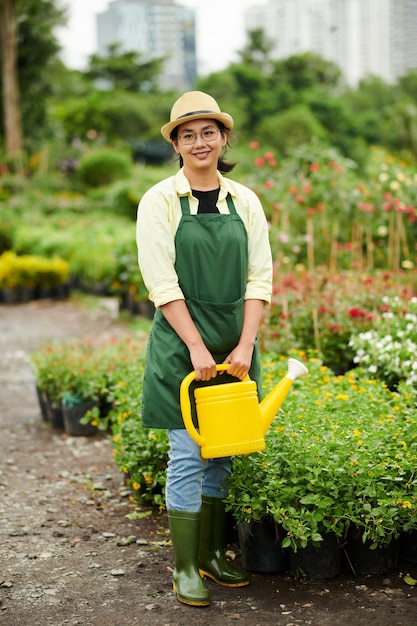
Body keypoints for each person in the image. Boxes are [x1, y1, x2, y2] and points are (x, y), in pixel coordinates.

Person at [136, 91, 273, 607]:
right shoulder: (161, 201)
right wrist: (195, 345)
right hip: (180, 343)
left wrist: (245, 343)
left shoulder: (246, 200)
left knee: (223, 456)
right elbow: (161, 280)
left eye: (208, 132)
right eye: (187, 134)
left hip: (235, 343)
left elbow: (260, 278)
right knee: (190, 454)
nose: (199, 142)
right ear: (175, 143)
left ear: (223, 138)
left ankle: (214, 556)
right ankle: (186, 566)